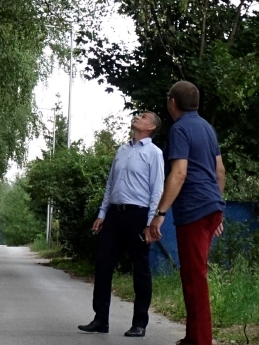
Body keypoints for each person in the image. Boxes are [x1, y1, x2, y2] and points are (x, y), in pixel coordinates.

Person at [146, 81, 224, 345]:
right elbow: (220, 171)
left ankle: (201, 340)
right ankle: (193, 337)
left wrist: (160, 212)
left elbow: (179, 173)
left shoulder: (180, 129)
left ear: (172, 102)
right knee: (191, 273)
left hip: (194, 209)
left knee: (195, 277)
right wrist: (217, 205)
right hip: (210, 207)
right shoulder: (207, 128)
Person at [77, 111, 165, 338]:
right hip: (115, 214)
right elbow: (111, 184)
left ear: (151, 127)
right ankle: (100, 319)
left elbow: (157, 190)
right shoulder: (122, 150)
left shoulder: (154, 153)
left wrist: (150, 222)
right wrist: (102, 213)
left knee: (140, 268)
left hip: (139, 215)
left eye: (143, 117)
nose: (138, 117)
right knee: (103, 264)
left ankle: (139, 323)